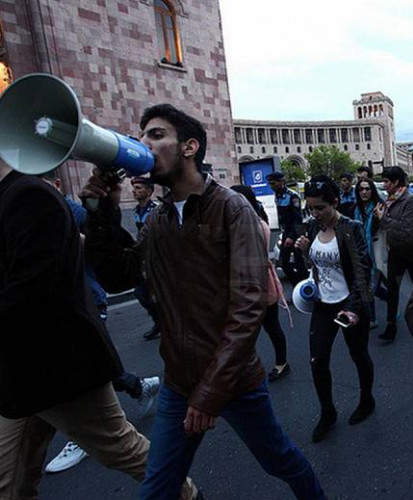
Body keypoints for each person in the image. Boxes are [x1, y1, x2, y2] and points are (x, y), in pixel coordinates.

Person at [82, 104, 324, 499]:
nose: (144, 144)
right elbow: (119, 276)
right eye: (141, 136)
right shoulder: (159, 219)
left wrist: (210, 393)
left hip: (233, 380)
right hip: (179, 382)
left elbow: (248, 308)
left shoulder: (232, 208)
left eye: (156, 135)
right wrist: (100, 211)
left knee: (279, 459)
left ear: (189, 147)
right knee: (157, 488)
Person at [0, 161, 198, 499]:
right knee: (9, 481)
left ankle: (188, 494)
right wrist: (99, 209)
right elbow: (114, 266)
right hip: (18, 372)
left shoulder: (29, 195)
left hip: (56, 367)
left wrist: (101, 211)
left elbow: (111, 271)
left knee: (121, 447)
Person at [38, 172, 160, 475]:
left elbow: (101, 253)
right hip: (36, 323)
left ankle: (86, 433)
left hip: (80, 303)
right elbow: (120, 271)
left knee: (84, 370)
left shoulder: (67, 210)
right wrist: (100, 209)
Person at [294, 175, 375, 442]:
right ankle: (327, 412)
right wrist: (305, 251)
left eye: (320, 208)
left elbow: (362, 272)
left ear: (335, 203)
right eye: (310, 208)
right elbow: (314, 266)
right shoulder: (311, 227)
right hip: (323, 304)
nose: (315, 213)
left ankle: (367, 400)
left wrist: (353, 308)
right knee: (317, 361)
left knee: (358, 355)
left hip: (349, 304)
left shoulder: (351, 228)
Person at [231, 185, 292, 381]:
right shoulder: (241, 223)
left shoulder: (255, 225)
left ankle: (281, 363)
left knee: (268, 326)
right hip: (247, 284)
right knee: (252, 329)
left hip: (259, 283)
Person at [375, 166, 413, 343]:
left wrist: (384, 218)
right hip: (395, 250)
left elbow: (407, 228)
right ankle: (391, 325)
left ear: (395, 182)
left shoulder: (410, 200)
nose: (384, 184)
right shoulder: (389, 200)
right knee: (393, 290)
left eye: (386, 181)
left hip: (412, 251)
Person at [131, 176, 163, 340]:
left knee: (160, 294)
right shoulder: (136, 211)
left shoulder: (157, 210)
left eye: (139, 188)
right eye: (134, 188)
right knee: (141, 293)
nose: (134, 191)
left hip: (158, 258)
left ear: (149, 191)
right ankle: (159, 322)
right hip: (144, 258)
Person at [353, 178, 386, 328]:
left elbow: (387, 227)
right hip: (361, 253)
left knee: (375, 287)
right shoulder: (356, 209)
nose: (364, 192)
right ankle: (372, 318)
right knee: (368, 286)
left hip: (377, 252)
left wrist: (381, 217)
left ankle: (392, 302)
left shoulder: (379, 206)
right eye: (361, 189)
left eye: (367, 189)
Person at [268, 171, 308, 284]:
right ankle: (297, 283)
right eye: (270, 184)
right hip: (286, 231)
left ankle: (304, 284)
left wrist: (291, 237)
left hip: (296, 231)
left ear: (281, 182)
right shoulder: (277, 196)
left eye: (273, 183)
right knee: (284, 263)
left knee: (299, 262)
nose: (271, 186)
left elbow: (298, 219)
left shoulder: (292, 196)